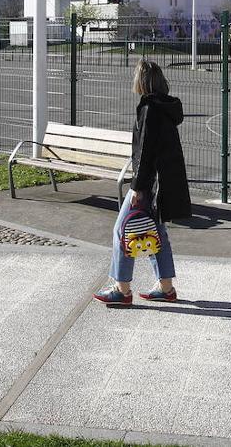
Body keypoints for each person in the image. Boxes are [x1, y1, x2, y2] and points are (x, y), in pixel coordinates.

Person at [94, 59, 191, 306]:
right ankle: (166, 287)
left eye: (136, 76)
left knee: (122, 230)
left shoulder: (149, 109)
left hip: (149, 183)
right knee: (156, 233)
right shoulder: (166, 107)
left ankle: (122, 289)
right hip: (164, 182)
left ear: (143, 81)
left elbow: (146, 151)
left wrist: (137, 187)